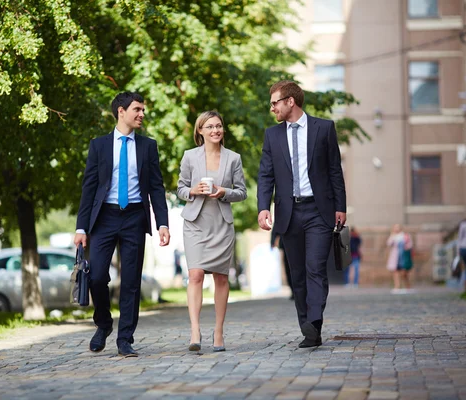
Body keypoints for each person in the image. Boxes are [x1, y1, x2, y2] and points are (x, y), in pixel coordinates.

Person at [74, 92, 170, 357]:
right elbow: (89, 188)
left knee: (130, 281)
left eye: (142, 110)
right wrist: (81, 228)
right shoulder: (99, 145)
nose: (141, 114)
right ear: (121, 111)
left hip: (134, 217)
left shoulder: (148, 146)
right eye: (137, 109)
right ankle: (103, 324)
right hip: (104, 217)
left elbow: (157, 187)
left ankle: (125, 338)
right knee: (96, 277)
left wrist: (162, 222)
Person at [257, 80, 347, 348]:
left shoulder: (324, 128)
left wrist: (340, 206)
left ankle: (314, 321)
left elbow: (334, 170)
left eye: (275, 102)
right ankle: (308, 328)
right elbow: (266, 175)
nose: (272, 107)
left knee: (315, 268)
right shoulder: (272, 135)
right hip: (289, 212)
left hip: (319, 210)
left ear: (290, 102)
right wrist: (263, 206)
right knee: (297, 274)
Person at [177, 110, 247, 352]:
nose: (215, 130)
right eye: (209, 127)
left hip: (221, 224)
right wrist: (193, 190)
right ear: (200, 131)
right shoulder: (189, 157)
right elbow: (180, 189)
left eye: (218, 126)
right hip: (195, 223)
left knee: (221, 277)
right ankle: (195, 330)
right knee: (195, 274)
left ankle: (218, 331)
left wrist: (223, 191)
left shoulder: (233, 158)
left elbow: (242, 191)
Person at [386, 224, 413, 293]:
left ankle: (407, 286)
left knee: (404, 273)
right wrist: (392, 236)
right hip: (395, 257)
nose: (396, 229)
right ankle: (397, 286)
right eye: (395, 227)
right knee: (395, 272)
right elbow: (389, 243)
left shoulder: (405, 236)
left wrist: (406, 248)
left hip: (403, 256)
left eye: (397, 227)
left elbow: (410, 245)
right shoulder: (393, 236)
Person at [271, 228, 293, 299]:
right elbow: (277, 225)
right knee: (289, 268)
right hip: (286, 244)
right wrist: (273, 241)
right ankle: (293, 290)